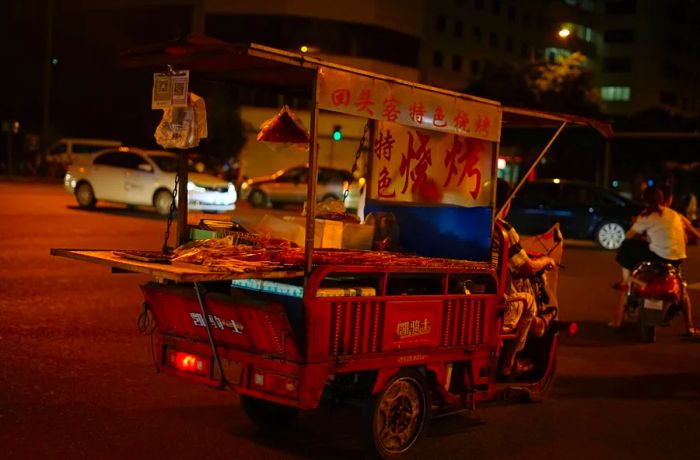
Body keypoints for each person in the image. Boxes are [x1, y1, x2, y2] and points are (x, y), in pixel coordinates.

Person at [610, 184, 700, 335]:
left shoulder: (646, 215)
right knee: (682, 286)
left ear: (645, 200)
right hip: (676, 259)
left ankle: (625, 279)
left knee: (627, 245)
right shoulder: (675, 214)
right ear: (664, 199)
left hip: (658, 256)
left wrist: (640, 232)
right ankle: (689, 326)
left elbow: (628, 236)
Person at [495, 179, 557, 376]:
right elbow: (526, 269)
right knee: (529, 299)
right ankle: (509, 363)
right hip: (496, 301)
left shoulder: (474, 224)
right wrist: (546, 260)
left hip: (477, 288)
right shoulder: (502, 230)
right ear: (505, 203)